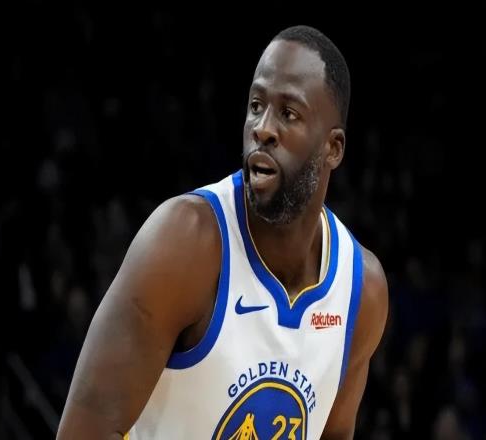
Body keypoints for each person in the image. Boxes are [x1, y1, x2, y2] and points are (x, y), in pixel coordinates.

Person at [57, 24, 388, 439]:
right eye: (256, 106)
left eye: (288, 113)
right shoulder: (184, 243)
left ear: (333, 148)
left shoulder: (362, 291)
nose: (262, 128)